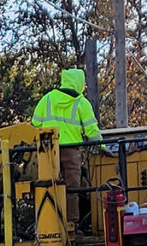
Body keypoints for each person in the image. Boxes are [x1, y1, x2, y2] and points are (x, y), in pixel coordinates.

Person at [31, 68, 102, 227]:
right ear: (80, 84)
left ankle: (49, 225)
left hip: (47, 151)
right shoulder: (81, 102)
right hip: (71, 151)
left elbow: (34, 126)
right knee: (72, 189)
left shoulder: (47, 99)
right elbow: (92, 131)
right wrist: (102, 147)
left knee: (48, 187)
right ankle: (71, 224)